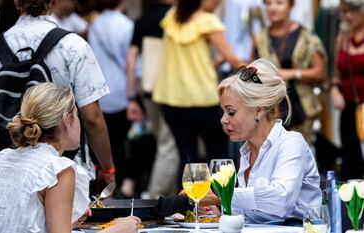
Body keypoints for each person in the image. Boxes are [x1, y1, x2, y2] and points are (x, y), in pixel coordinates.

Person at [0, 0, 115, 189]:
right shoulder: (73, 46)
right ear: (53, 2)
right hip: (66, 172)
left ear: (16, 2)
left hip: (10, 174)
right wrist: (107, 168)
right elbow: (92, 118)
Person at [0, 83, 141, 233]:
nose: (79, 122)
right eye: (76, 115)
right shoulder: (58, 169)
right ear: (67, 120)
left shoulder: (4, 158)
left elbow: (18, 219)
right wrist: (118, 230)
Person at [201, 59, 321, 224]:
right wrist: (220, 211)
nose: (223, 120)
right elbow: (253, 213)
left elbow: (280, 201)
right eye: (223, 112)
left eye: (231, 112)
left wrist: (220, 197)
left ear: (258, 110)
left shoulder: (292, 143)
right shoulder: (246, 152)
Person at [152, 0, 244, 186]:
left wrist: (212, 63)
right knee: (218, 157)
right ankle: (224, 203)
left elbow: (188, 59)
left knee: (188, 159)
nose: (218, 3)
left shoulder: (173, 17)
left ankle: (189, 207)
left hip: (171, 100)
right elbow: (233, 60)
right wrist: (256, 75)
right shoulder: (207, 21)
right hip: (201, 99)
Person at [252, 0, 327, 145]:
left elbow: (321, 73)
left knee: (298, 153)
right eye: (268, 3)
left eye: (279, 3)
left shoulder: (305, 36)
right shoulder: (259, 38)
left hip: (301, 108)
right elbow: (252, 71)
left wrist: (293, 73)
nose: (273, 7)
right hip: (270, 110)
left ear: (291, 5)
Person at [126, 0, 179, 198]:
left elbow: (130, 61)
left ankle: (171, 196)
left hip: (148, 90)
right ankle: (155, 198)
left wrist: (131, 96)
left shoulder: (141, 20)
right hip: (171, 89)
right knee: (169, 146)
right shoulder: (175, 17)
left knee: (163, 143)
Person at [88, 0, 134, 197]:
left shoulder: (95, 25)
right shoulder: (127, 25)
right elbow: (131, 61)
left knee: (102, 144)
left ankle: (102, 190)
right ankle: (120, 186)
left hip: (99, 91)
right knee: (122, 144)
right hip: (121, 90)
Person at [329, 0, 364, 180]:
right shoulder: (342, 37)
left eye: (354, 10)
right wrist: (334, 90)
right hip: (349, 108)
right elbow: (336, 74)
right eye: (345, 11)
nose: (349, 15)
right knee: (351, 162)